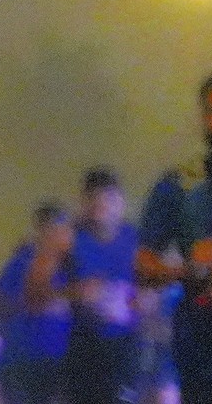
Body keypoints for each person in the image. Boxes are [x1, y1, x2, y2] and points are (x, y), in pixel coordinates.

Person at [137, 74, 212, 404]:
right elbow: (142, 265)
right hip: (204, 362)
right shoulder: (179, 185)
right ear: (203, 118)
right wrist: (187, 270)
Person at [67, 171, 143, 404]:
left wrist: (144, 299)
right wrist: (77, 292)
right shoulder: (68, 240)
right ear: (84, 203)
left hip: (126, 343)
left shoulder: (136, 239)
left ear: (120, 202)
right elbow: (41, 293)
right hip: (81, 344)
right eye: (94, 200)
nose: (102, 207)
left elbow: (155, 285)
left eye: (108, 199)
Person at [0, 203, 78, 404]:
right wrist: (35, 302)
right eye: (52, 229)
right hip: (26, 354)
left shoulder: (70, 265)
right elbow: (1, 303)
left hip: (60, 356)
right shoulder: (21, 262)